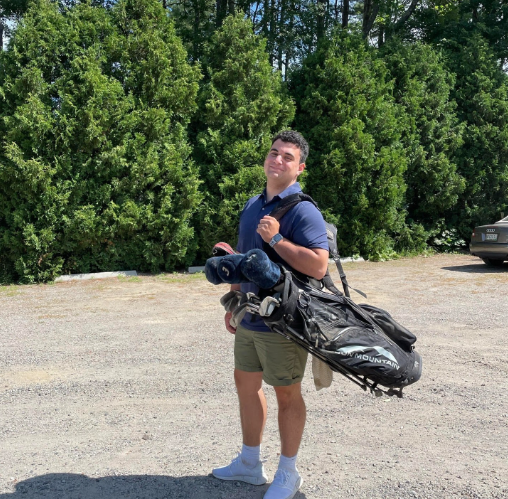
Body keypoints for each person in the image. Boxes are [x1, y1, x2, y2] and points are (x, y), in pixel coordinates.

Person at [212, 130, 329, 499]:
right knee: (246, 387)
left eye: (287, 157)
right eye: (274, 153)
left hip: (283, 321)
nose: (277, 160)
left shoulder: (303, 210)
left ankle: (289, 473)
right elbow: (243, 258)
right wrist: (233, 301)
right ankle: (249, 464)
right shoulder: (252, 204)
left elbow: (319, 267)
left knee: (287, 395)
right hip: (248, 316)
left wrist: (278, 239)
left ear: (300, 168)